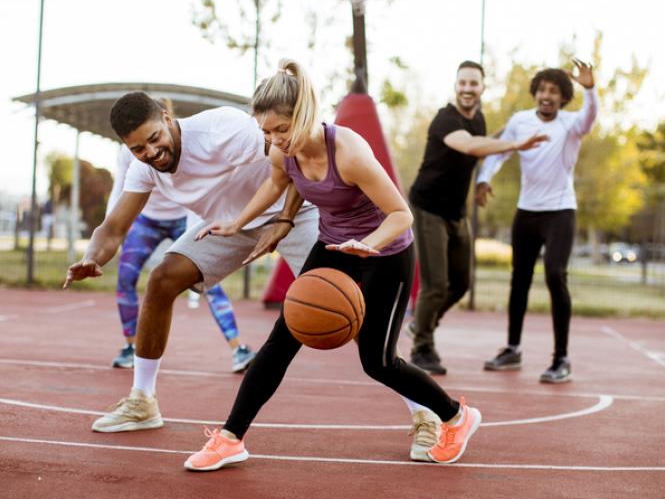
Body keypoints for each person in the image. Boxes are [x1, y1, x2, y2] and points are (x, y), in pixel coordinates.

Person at [183, 59, 482, 472]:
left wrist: (369, 244)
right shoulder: (281, 151)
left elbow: (401, 214)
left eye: (281, 129)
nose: (273, 139)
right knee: (279, 341)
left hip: (387, 251)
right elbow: (276, 183)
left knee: (377, 362)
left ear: (305, 114)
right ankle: (231, 438)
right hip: (333, 245)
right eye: (266, 131)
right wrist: (239, 221)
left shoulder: (349, 151)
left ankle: (456, 416)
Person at [63, 91, 321, 432]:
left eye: (155, 138)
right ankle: (142, 401)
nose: (151, 152)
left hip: (295, 212)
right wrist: (91, 257)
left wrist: (286, 219)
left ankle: (417, 408)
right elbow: (113, 228)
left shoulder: (221, 129)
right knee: (163, 279)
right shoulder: (145, 169)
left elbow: (295, 159)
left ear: (168, 120)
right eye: (138, 149)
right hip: (230, 224)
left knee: (341, 300)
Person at [408, 61, 548, 374]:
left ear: (483, 88)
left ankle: (421, 323)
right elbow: (471, 146)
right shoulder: (445, 119)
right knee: (435, 285)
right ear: (455, 86)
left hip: (456, 212)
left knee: (461, 282)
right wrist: (515, 142)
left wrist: (486, 175)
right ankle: (422, 348)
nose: (468, 89)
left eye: (474, 84)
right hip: (428, 208)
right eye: (463, 83)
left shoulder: (479, 119)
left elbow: (483, 145)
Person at [477, 59, 598, 383]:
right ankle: (513, 349)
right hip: (526, 212)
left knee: (556, 275)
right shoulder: (520, 121)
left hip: (560, 212)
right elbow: (499, 152)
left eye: (554, 91)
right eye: (542, 89)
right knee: (520, 280)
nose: (547, 95)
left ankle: (561, 358)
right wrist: (483, 179)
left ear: (562, 98)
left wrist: (590, 89)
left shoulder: (572, 124)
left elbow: (590, 118)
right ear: (536, 93)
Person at [106, 143, 256, 373]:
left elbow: (194, 195)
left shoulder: (181, 145)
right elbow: (120, 189)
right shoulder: (128, 151)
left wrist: (192, 252)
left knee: (210, 282)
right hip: (146, 220)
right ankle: (130, 347)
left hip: (183, 217)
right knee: (125, 278)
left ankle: (239, 349)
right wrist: (111, 234)